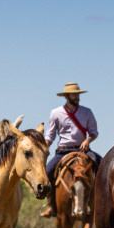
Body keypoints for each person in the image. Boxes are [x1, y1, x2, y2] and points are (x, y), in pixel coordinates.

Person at [40, 82, 100, 218]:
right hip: (63, 151)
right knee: (47, 173)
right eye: (73, 94)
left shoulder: (87, 112)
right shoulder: (56, 113)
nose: (76, 97)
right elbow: (50, 134)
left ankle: (101, 204)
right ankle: (52, 206)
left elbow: (94, 132)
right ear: (66, 96)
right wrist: (45, 146)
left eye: (77, 94)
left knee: (103, 168)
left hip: (83, 150)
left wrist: (87, 140)